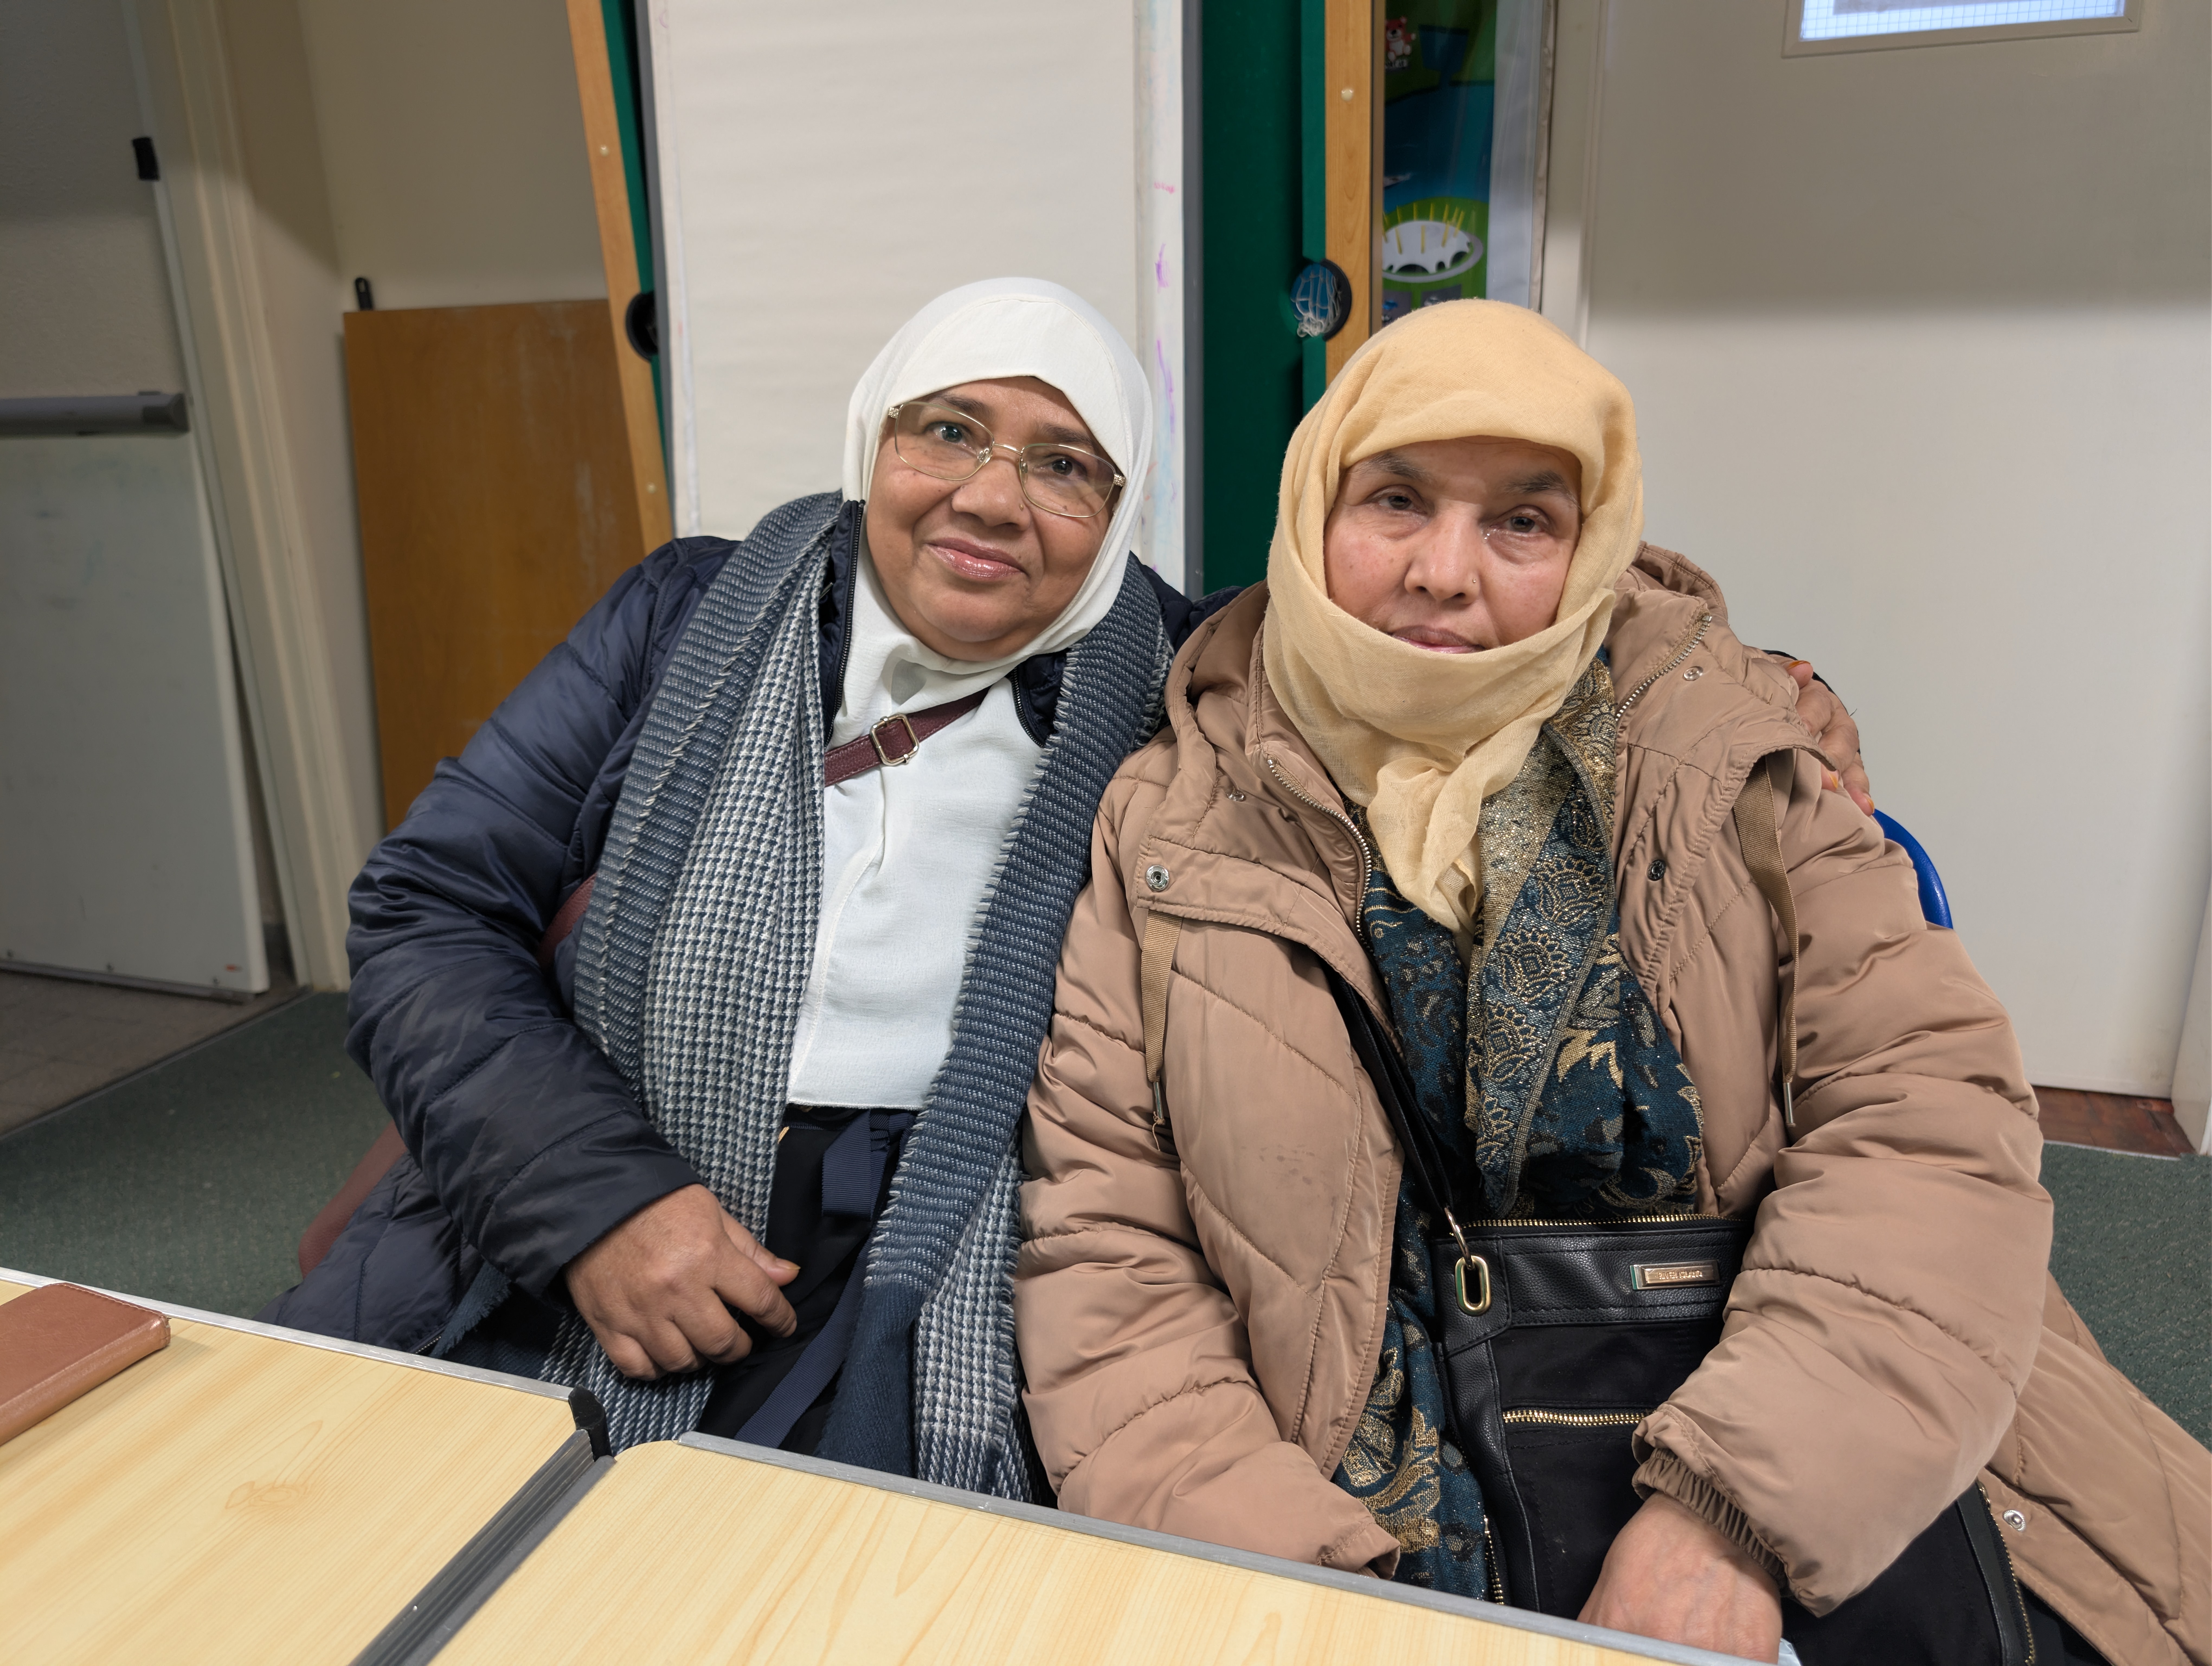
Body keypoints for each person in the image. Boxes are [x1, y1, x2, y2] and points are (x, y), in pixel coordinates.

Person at [266, 277, 1867, 1495]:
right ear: (874, 441)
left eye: (1065, 464)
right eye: (944, 430)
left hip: (959, 1232)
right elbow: (424, 906)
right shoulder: (689, 613)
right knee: (392, 1539)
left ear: (1120, 512)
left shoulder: (1192, 682)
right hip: (609, 1161)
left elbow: (1455, 661)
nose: (988, 496)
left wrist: (1722, 687)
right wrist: (591, 1197)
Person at [1013, 300, 2207, 1662]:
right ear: (1308, 505)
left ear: (1595, 542)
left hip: (1806, 1417)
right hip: (1342, 1485)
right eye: (1393, 499)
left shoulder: (1733, 752)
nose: (1446, 574)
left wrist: (1732, 1520)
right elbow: (1111, 1246)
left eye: (1523, 520)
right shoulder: (1170, 818)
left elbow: (1928, 1133)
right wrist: (1300, 1591)